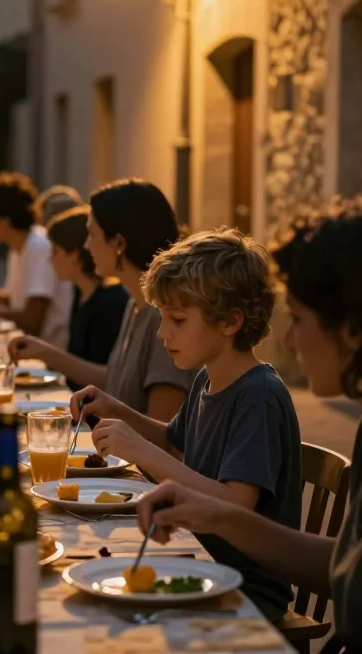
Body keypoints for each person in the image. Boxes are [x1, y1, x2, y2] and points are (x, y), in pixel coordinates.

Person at [135, 196, 362, 654]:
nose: (289, 339)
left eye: (299, 319)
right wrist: (214, 513)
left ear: (355, 330)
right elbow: (349, 565)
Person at [71, 229, 302, 620]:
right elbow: (172, 438)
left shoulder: (258, 396)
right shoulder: (208, 378)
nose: (163, 333)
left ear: (230, 322)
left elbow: (234, 504)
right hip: (197, 559)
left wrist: (140, 450)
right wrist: (118, 410)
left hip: (245, 588)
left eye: (177, 319)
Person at [11, 179, 194, 421]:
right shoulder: (135, 303)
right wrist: (46, 353)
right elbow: (115, 379)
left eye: (92, 234)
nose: (86, 245)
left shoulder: (165, 314)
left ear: (118, 243)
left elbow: (162, 428)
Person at [10, 206, 128, 391]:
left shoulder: (111, 303)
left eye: (55, 251)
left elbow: (109, 378)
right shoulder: (79, 293)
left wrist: (47, 354)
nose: (50, 259)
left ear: (74, 254)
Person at [0, 172, 72, 347]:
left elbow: (31, 321)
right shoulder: (19, 248)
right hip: (28, 348)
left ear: (3, 218)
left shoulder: (39, 247)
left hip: (48, 358)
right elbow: (12, 302)